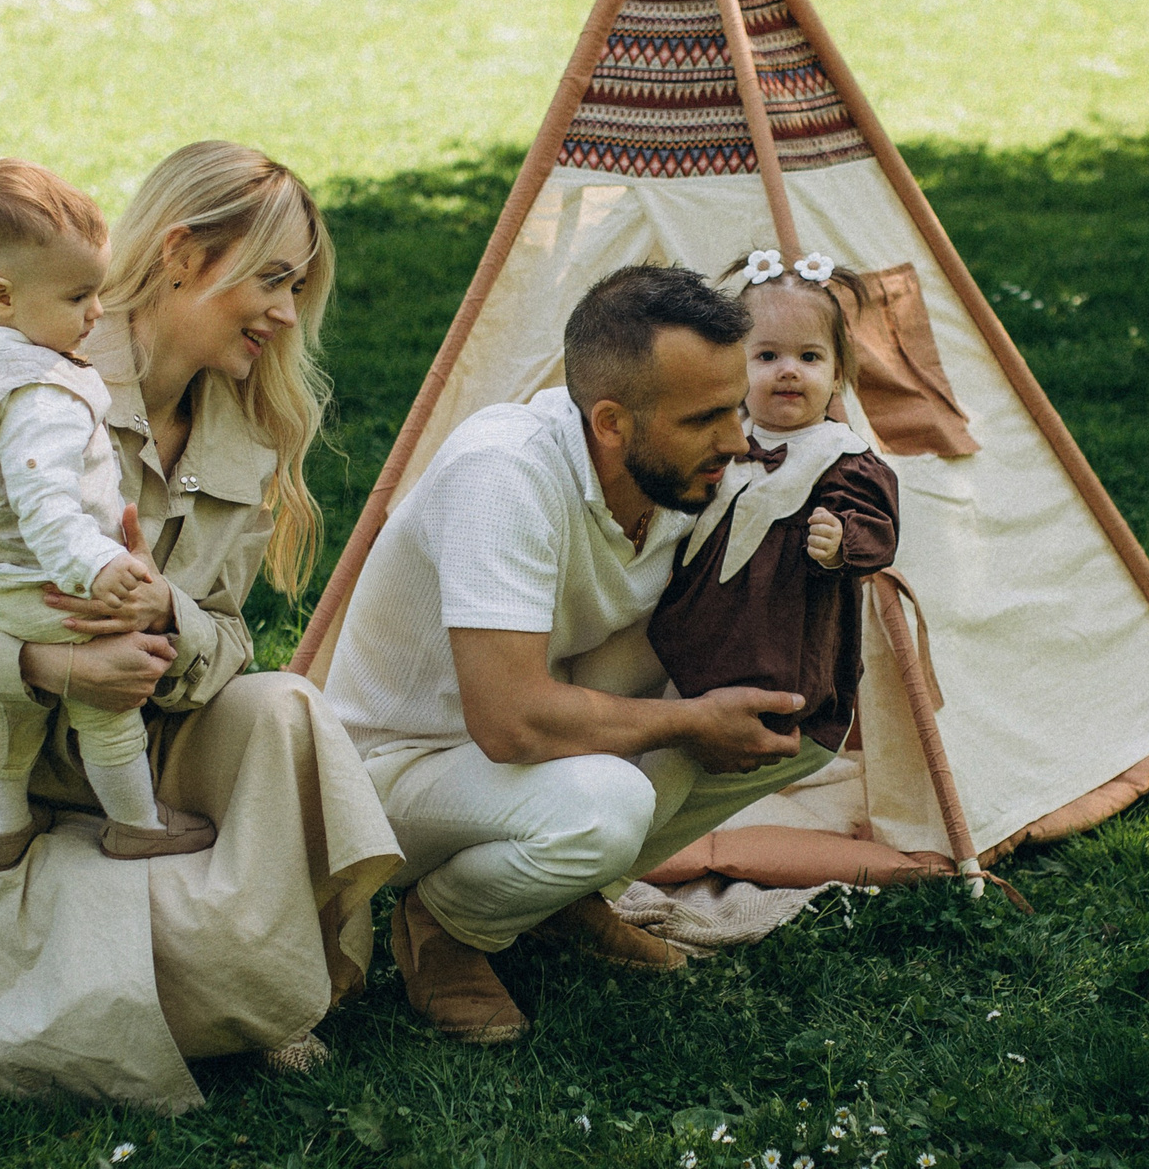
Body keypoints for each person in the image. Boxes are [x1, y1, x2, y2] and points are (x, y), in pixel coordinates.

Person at [0, 142, 400, 1114]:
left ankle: (197, 961)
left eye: (297, 288)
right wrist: (46, 664)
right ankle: (196, 970)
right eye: (273, 280)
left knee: (286, 707)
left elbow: (227, 637)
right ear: (179, 255)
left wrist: (166, 620)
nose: (288, 314)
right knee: (233, 965)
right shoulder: (15, 381)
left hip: (131, 768)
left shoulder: (243, 432)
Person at [324, 264, 831, 1045]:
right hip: (395, 769)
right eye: (705, 419)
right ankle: (445, 925)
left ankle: (561, 896)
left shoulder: (687, 478)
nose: (737, 441)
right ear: (610, 424)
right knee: (609, 804)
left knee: (795, 717)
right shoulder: (506, 472)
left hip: (540, 737)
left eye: (737, 407)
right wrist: (689, 721)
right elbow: (510, 722)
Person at [0, 158, 213, 871]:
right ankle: (136, 822)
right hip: (48, 582)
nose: (98, 312)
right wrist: (100, 567)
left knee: (9, 704)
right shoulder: (41, 393)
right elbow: (47, 507)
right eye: (79, 295)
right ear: (2, 297)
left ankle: (2, 829)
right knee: (105, 704)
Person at [646, 248, 899, 765]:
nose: (789, 372)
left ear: (836, 376)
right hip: (685, 626)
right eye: (766, 357)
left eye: (809, 358)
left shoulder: (842, 458)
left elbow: (878, 530)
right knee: (626, 700)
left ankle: (631, 819)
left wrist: (840, 542)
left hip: (773, 644)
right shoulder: (725, 437)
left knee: (674, 766)